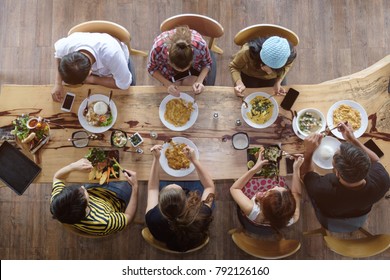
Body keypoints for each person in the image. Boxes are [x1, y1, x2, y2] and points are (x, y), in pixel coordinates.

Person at [300, 122, 390, 228]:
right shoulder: (383, 179)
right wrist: (352, 139)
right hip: (361, 214)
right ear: (367, 165)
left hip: (330, 219)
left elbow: (305, 174)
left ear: (337, 173)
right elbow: (376, 160)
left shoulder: (322, 189)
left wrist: (309, 152)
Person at [145, 144, 215, 251]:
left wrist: (156, 159)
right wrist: (194, 160)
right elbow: (209, 186)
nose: (173, 183)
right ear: (186, 201)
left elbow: (153, 189)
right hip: (193, 234)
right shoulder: (201, 213)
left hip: (169, 238)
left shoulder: (152, 217)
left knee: (164, 180)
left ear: (160, 205)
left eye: (168, 187)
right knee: (201, 186)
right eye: (178, 188)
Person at [50, 158, 139, 236]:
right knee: (127, 176)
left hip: (95, 191)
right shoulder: (104, 222)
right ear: (85, 207)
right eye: (82, 193)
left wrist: (72, 166)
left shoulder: (58, 202)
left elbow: (58, 178)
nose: (81, 187)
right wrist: (135, 187)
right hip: (116, 197)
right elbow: (128, 217)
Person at [51, 32, 136, 102]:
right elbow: (58, 55)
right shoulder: (66, 46)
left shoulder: (112, 55)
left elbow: (124, 84)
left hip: (120, 64)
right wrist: (58, 83)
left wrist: (93, 80)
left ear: (90, 72)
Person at [230, 154, 304, 232]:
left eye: (267, 192)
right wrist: (296, 168)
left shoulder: (252, 210)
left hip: (252, 219)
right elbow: (296, 193)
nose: (275, 186)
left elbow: (234, 188)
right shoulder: (293, 216)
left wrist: (254, 169)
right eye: (280, 188)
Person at [147, 26, 214, 97]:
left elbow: (207, 63)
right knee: (175, 90)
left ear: (192, 52)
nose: (181, 72)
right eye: (177, 68)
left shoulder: (201, 45)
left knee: (190, 88)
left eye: (184, 69)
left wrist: (199, 81)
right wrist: (168, 84)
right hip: (169, 73)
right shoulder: (157, 48)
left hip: (194, 69)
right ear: (168, 55)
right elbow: (152, 69)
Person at [229, 36, 297, 97]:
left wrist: (278, 81)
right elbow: (234, 66)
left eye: (273, 68)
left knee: (279, 97)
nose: (269, 71)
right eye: (265, 64)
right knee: (248, 94)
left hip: (275, 77)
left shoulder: (289, 56)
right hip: (250, 75)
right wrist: (239, 83)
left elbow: (287, 66)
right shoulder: (246, 52)